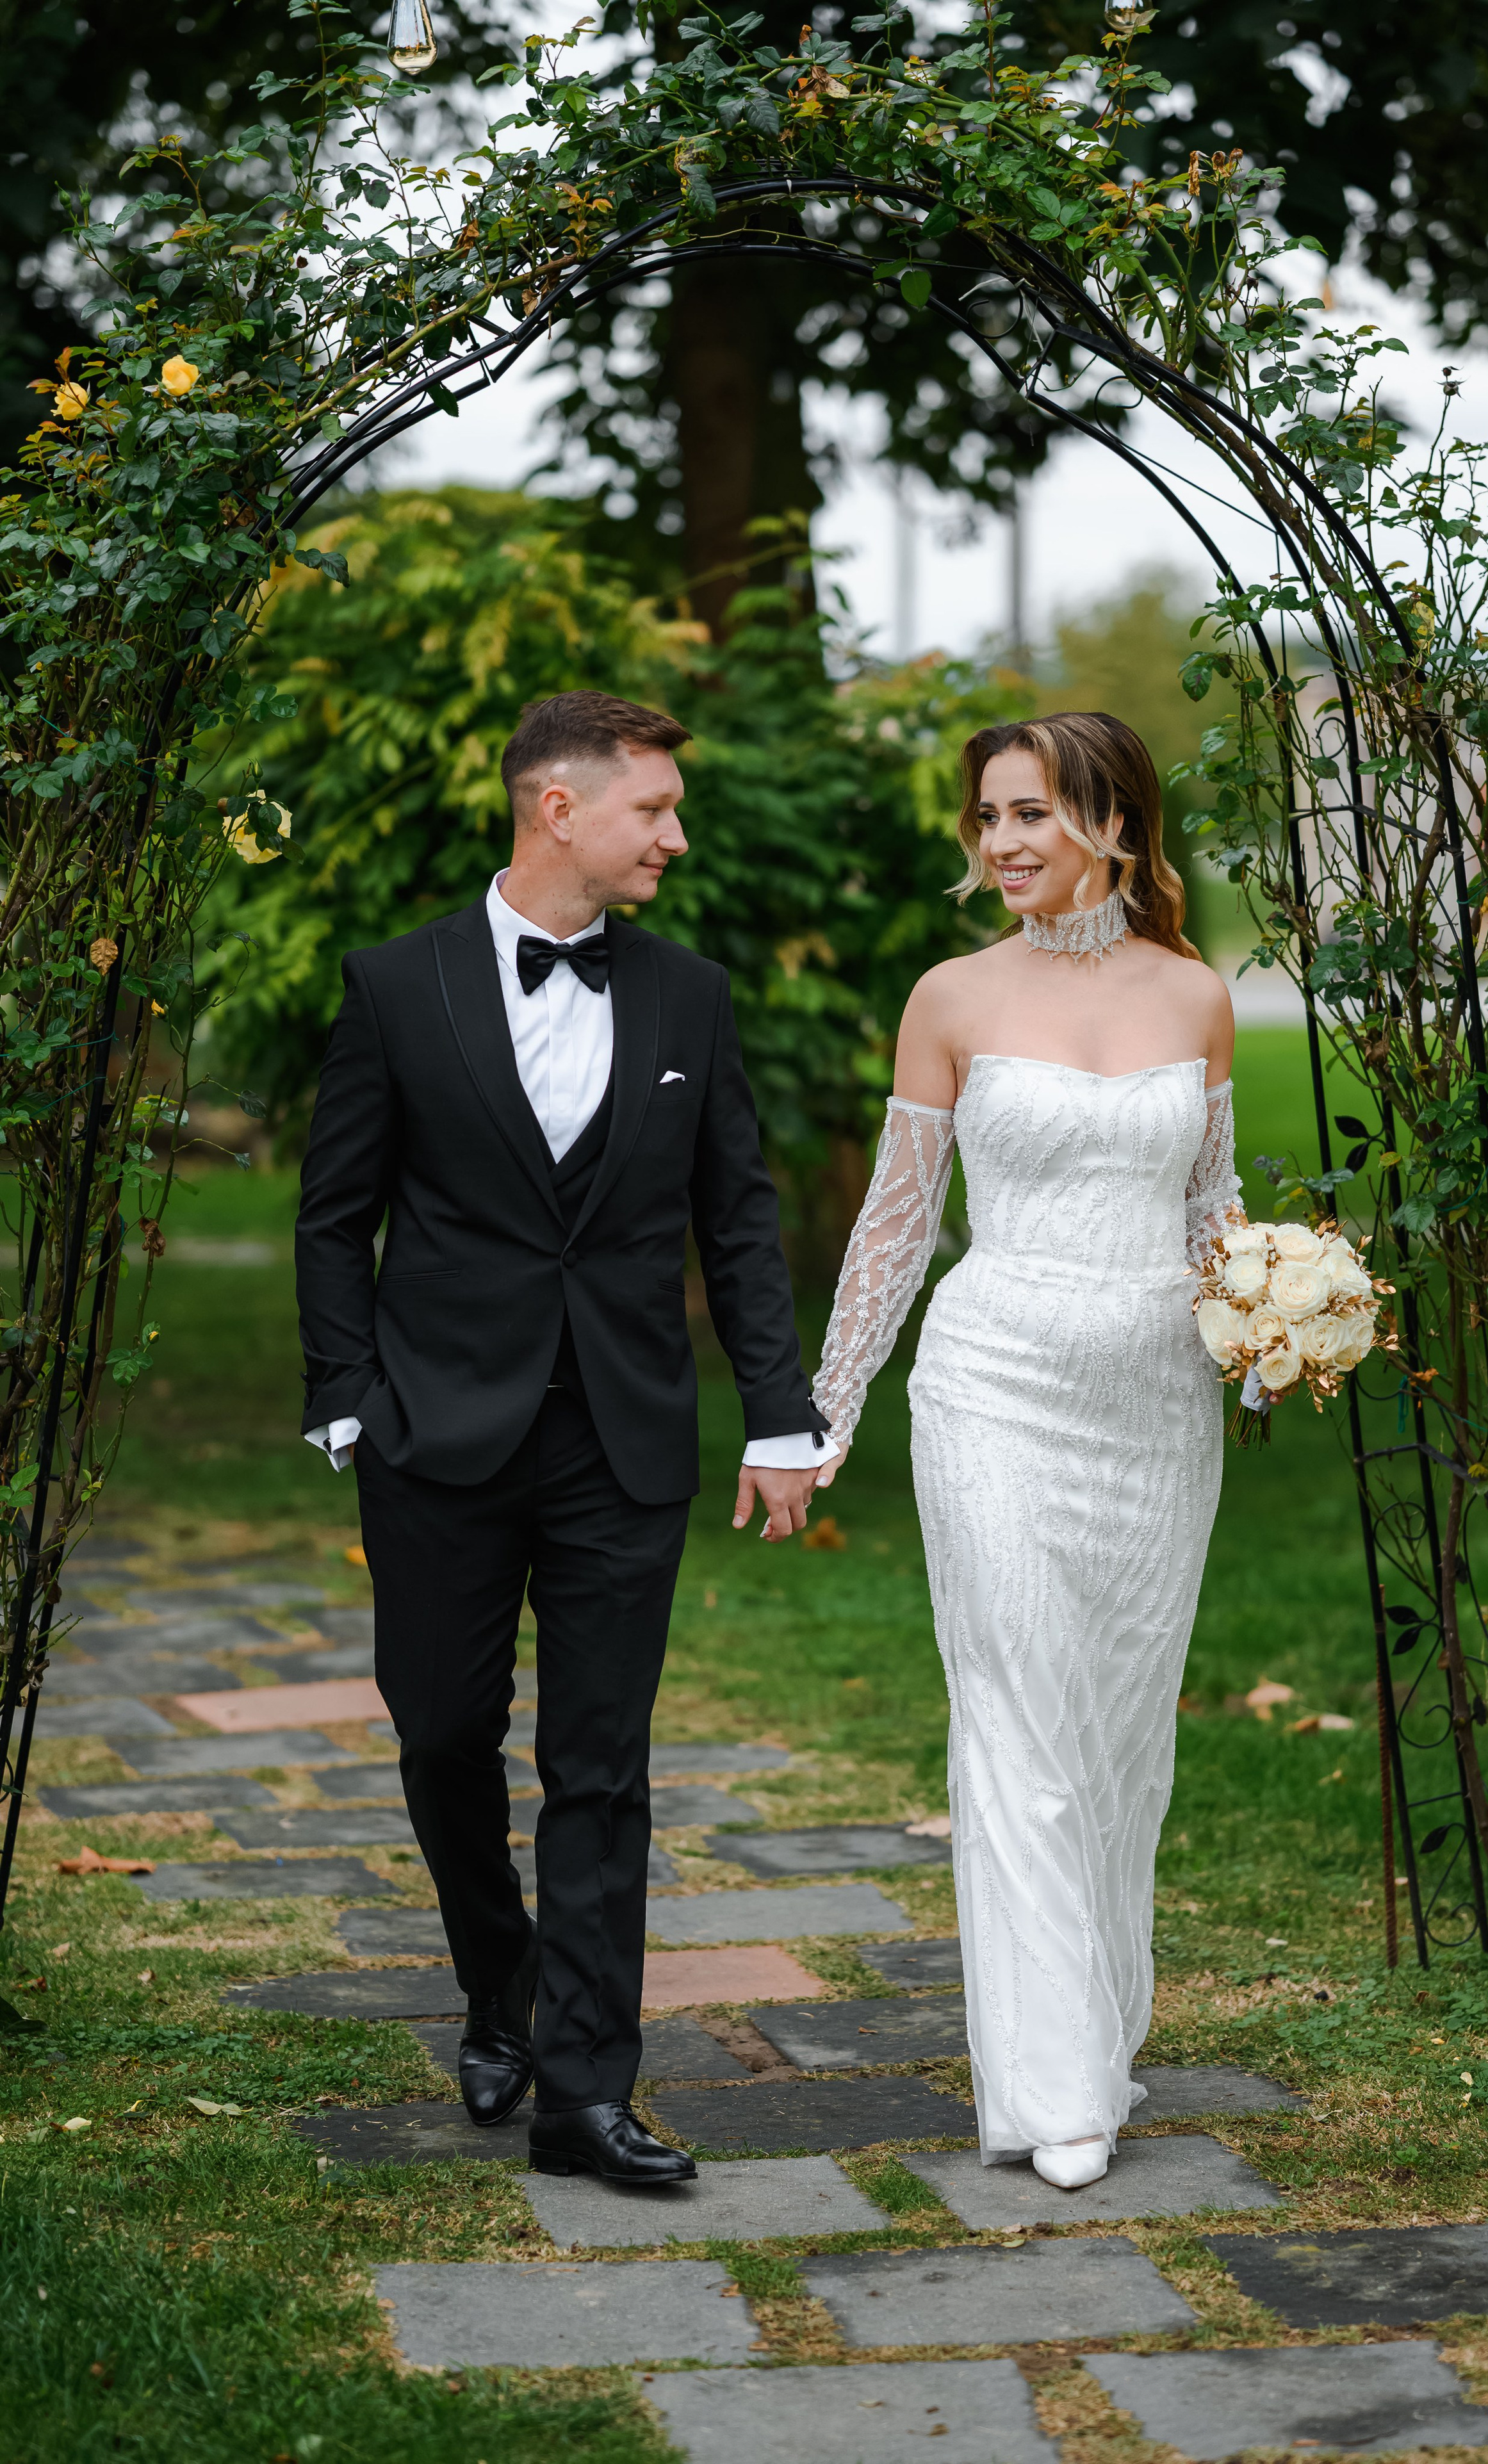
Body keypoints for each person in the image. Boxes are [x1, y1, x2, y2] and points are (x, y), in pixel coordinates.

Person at [294, 689, 835, 2183]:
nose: (674, 835)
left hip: (622, 1437)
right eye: (653, 808)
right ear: (560, 808)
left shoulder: (689, 996)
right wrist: (347, 1396)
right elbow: (335, 1214)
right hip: (434, 1432)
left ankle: (585, 2091)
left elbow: (736, 1221)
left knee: (600, 1762)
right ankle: (501, 1985)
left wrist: (779, 1416)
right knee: (441, 1733)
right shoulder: (395, 985)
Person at [810, 711, 1237, 2191]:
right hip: (992, 1382)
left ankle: (1094, 2033)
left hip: (1155, 1404)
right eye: (986, 816)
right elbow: (895, 1221)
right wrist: (828, 1407)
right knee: (1015, 1715)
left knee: (1117, 1737)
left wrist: (1271, 1328)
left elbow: (1209, 1211)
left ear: (1111, 822)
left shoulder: (1194, 997)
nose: (999, 841)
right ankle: (1052, 2089)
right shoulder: (950, 996)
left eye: (1029, 813)